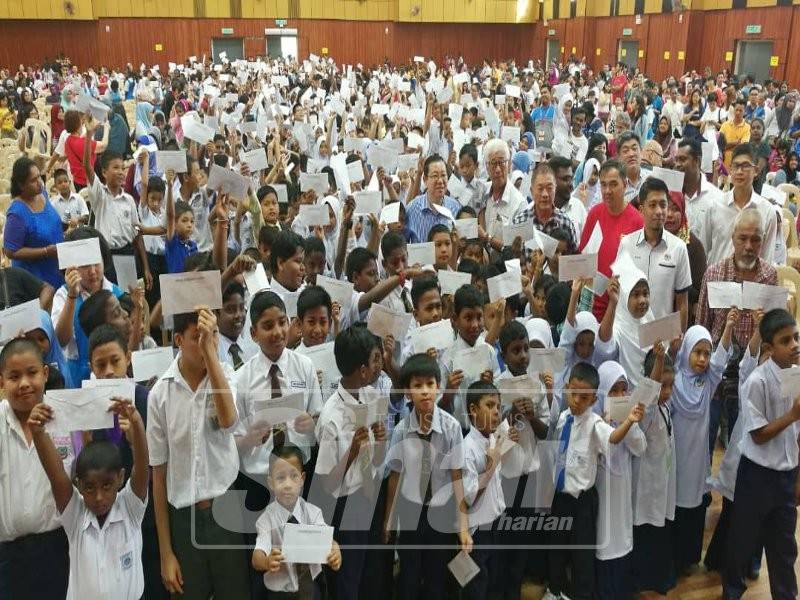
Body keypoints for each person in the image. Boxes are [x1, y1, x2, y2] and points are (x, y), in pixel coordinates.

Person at [146, 308, 250, 599]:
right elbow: (158, 474)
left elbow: (229, 420)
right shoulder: (160, 395)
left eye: (214, 334)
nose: (208, 342)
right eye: (198, 337)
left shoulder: (226, 373)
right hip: (183, 516)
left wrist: (210, 353)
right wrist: (166, 553)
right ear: (178, 339)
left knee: (235, 593)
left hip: (225, 509)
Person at [28, 394, 149, 600]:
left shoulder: (130, 508)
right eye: (90, 488)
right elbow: (56, 474)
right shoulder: (76, 516)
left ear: (120, 478)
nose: (99, 497)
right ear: (78, 484)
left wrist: (136, 422)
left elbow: (142, 465)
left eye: (107, 485)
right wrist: (38, 433)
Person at [542, 362, 644, 600]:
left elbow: (614, 439)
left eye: (585, 397)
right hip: (560, 499)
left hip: (582, 503)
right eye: (574, 393)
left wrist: (628, 421)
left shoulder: (594, 423)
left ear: (593, 400)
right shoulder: (563, 418)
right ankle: (554, 590)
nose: (577, 400)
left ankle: (582, 595)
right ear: (567, 388)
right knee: (556, 550)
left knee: (582, 556)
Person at [722, 308, 800, 600]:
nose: (794, 345)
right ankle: (731, 592)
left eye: (796, 337)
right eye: (786, 340)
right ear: (768, 348)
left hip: (785, 476)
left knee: (784, 549)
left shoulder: (798, 374)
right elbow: (758, 433)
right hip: (756, 476)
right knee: (741, 542)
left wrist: (797, 477)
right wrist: (792, 415)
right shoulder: (757, 381)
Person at [383, 353, 472, 600]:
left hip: (441, 512)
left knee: (436, 578)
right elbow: (395, 476)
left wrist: (463, 527)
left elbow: (457, 478)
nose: (425, 391)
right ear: (407, 392)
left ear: (438, 387)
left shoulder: (452, 427)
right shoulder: (402, 430)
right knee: (409, 577)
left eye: (430, 384)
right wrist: (389, 518)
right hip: (410, 511)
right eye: (417, 385)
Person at [314, 324, 388, 600]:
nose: (381, 362)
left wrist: (381, 440)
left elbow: (379, 459)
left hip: (369, 495)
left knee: (372, 576)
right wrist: (353, 452)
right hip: (344, 508)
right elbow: (325, 483)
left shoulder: (372, 396)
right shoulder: (331, 418)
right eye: (375, 359)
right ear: (363, 370)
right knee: (347, 582)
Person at [0, 339, 73, 600]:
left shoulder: (66, 417)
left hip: (57, 548)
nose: (24, 383)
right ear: (1, 382)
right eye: (14, 376)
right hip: (8, 556)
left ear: (44, 373)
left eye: (32, 373)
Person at [671, 317, 735, 575]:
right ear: (686, 351)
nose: (702, 359)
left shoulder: (707, 382)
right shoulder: (673, 378)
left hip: (697, 460)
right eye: (697, 352)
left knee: (694, 506)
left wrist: (729, 327)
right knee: (675, 505)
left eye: (706, 353)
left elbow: (720, 360)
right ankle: (673, 558)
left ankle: (688, 557)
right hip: (675, 457)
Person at [252, 445, 342, 597]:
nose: (288, 484)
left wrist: (335, 550)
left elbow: (328, 541)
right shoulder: (266, 520)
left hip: (312, 589)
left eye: (294, 476)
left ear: (302, 479)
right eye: (280, 477)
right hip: (280, 593)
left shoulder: (313, 513)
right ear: (271, 483)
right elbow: (257, 557)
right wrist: (267, 561)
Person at [593, 361, 647, 600]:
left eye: (623, 390)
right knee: (603, 542)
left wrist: (630, 423)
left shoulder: (629, 420)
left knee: (622, 542)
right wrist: (607, 426)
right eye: (613, 390)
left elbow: (640, 448)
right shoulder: (593, 420)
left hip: (622, 496)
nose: (619, 396)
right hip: (602, 497)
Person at [460, 380, 518, 600]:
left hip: (497, 523)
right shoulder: (467, 448)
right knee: (476, 589)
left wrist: (503, 450)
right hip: (478, 533)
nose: (496, 412)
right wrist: (492, 465)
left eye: (499, 407)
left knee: (495, 583)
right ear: (473, 410)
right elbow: (470, 497)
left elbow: (497, 479)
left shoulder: (493, 438)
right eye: (490, 405)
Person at [83, 117, 152, 289]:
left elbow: (137, 236)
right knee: (108, 299)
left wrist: (146, 266)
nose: (121, 172)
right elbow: (87, 167)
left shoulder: (129, 200)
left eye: (123, 168)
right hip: (105, 257)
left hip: (127, 254)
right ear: (104, 172)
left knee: (129, 298)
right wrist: (90, 134)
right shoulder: (100, 195)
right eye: (115, 168)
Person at [631, 347, 677, 595]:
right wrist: (659, 361)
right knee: (645, 534)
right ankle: (642, 581)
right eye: (662, 385)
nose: (667, 392)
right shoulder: (646, 408)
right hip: (646, 486)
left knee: (658, 532)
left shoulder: (666, 408)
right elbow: (649, 395)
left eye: (671, 385)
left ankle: (657, 578)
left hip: (661, 482)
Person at [616, 177, 692, 325]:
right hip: (630, 335)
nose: (659, 211)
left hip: (662, 338)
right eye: (652, 205)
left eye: (663, 205)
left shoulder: (679, 248)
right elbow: (619, 293)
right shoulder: (627, 244)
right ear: (641, 209)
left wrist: (678, 338)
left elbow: (682, 302)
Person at [579, 159, 644, 321]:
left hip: (621, 309)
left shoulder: (637, 221)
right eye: (603, 185)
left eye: (613, 184)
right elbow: (583, 256)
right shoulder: (594, 213)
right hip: (591, 305)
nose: (607, 190)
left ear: (625, 184)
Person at [700, 144, 778, 266]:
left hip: (750, 283)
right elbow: (703, 249)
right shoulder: (715, 206)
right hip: (717, 281)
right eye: (735, 166)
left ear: (756, 171)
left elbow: (766, 259)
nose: (739, 171)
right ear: (730, 170)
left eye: (745, 166)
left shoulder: (767, 211)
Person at [439, 284, 502, 430]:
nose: (475, 325)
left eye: (479, 317)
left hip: (486, 429)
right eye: (468, 317)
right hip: (460, 429)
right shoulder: (448, 358)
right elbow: (439, 406)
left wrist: (490, 384)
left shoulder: (488, 351)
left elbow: (499, 392)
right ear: (455, 319)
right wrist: (449, 391)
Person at [3, 156, 65, 288]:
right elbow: (11, 252)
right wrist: (45, 251)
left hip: (56, 270)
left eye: (39, 177)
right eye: (33, 180)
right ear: (21, 185)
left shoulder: (42, 193)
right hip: (36, 279)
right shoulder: (17, 213)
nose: (40, 183)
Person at [512, 163, 579, 254]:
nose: (545, 194)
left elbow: (573, 261)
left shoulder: (566, 223)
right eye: (540, 189)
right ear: (531, 191)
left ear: (555, 189)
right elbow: (511, 261)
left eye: (549, 188)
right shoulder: (519, 222)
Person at [664, 190, 707, 324]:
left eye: (675, 209)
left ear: (682, 212)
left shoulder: (693, 245)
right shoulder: (652, 240)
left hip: (681, 316)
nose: (669, 215)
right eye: (666, 208)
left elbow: (700, 290)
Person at [479, 138, 527, 253]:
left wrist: (487, 238)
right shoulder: (482, 192)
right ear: (486, 166)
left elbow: (517, 250)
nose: (497, 169)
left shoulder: (519, 203)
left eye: (501, 163)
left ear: (509, 164)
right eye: (493, 163)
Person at [674, 137, 723, 241]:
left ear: (698, 161)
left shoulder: (717, 198)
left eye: (682, 159)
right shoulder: (672, 197)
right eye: (676, 160)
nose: (677, 165)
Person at [404, 155, 461, 243]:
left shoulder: (456, 208)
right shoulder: (411, 209)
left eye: (443, 175)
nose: (440, 181)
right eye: (435, 176)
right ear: (425, 179)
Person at [719, 100, 751, 170]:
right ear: (733, 111)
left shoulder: (747, 127)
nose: (738, 112)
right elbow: (720, 145)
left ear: (744, 112)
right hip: (724, 162)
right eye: (736, 110)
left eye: (741, 110)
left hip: (738, 162)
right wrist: (736, 142)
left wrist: (727, 145)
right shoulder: (725, 125)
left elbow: (742, 147)